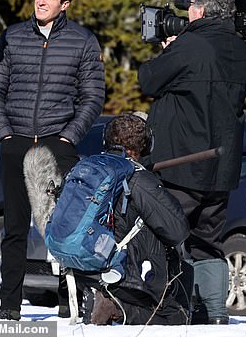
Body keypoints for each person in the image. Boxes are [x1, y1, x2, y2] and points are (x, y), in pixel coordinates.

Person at [0, 0, 105, 321]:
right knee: (14, 227)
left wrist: (68, 136)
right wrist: (4, 133)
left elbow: (92, 97)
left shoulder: (83, 41)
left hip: (58, 142)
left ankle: (71, 304)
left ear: (64, 4)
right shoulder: (12, 37)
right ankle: (9, 307)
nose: (40, 0)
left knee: (67, 226)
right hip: (16, 141)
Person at [137, 0, 246, 324]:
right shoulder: (239, 50)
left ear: (199, 10)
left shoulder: (189, 46)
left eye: (189, 9)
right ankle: (215, 315)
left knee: (165, 237)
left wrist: (170, 48)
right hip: (221, 167)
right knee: (209, 243)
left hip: (181, 163)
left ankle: (167, 310)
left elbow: (147, 80)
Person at [77, 114, 190, 325]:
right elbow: (178, 229)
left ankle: (104, 302)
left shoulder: (88, 169)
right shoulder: (137, 178)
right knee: (179, 316)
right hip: (128, 275)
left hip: (87, 266)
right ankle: (112, 307)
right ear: (145, 146)